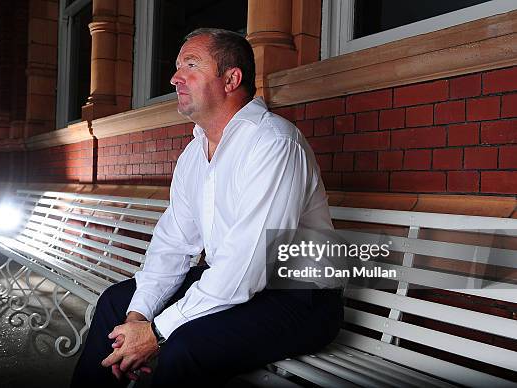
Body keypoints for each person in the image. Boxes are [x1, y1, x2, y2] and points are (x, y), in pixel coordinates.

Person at [70, 28, 343, 388]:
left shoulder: (273, 143)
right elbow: (173, 244)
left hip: (301, 300)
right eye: (177, 66)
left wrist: (156, 332)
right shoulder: (193, 154)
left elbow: (246, 266)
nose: (174, 77)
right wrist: (137, 320)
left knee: (185, 346)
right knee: (115, 304)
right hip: (239, 285)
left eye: (191, 65)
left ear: (231, 79)